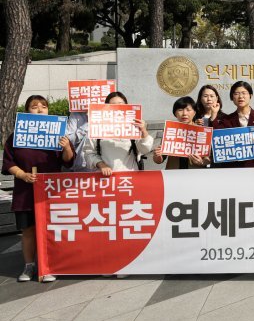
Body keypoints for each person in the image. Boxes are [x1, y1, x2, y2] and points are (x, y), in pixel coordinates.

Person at [2, 95, 75, 282]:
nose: (40, 109)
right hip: (25, 192)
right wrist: (23, 175)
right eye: (35, 107)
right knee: (28, 230)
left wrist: (66, 147)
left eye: (44, 106)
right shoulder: (17, 134)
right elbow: (9, 162)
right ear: (27, 111)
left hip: (51, 191)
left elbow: (68, 161)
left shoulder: (59, 133)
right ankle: (29, 266)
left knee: (50, 229)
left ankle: (49, 265)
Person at [85, 92, 153, 175]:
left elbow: (145, 149)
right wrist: (102, 165)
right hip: (104, 179)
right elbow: (89, 153)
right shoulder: (97, 126)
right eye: (113, 105)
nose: (117, 108)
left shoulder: (134, 127)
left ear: (127, 106)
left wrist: (143, 131)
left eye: (121, 104)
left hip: (130, 178)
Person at [221, 81, 254, 167]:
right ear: (232, 97)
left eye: (244, 93)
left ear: (250, 96)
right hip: (233, 168)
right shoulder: (226, 120)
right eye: (236, 93)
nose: (240, 96)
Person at [153, 96, 209, 169]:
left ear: (194, 112)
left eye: (188, 110)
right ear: (175, 113)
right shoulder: (171, 131)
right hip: (174, 174)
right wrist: (157, 156)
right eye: (180, 110)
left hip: (196, 173)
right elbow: (160, 159)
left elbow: (209, 157)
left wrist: (202, 162)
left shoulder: (202, 131)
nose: (184, 113)